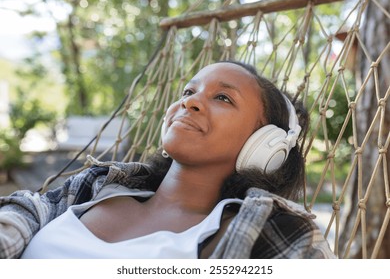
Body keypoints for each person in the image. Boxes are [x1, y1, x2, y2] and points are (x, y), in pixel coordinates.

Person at [0, 61, 335, 259]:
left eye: (222, 97)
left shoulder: (279, 236)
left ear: (265, 145)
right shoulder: (93, 187)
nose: (190, 103)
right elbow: (20, 216)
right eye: (188, 92)